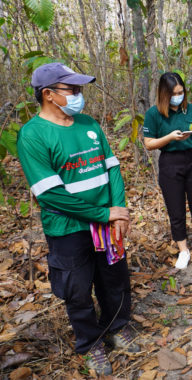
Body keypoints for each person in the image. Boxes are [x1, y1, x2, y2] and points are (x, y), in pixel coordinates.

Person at [18, 62, 138, 376]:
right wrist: (102, 213)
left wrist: (118, 209)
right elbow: (50, 194)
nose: (78, 95)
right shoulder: (33, 135)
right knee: (77, 289)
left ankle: (117, 327)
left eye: (79, 89)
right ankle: (91, 344)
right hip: (69, 228)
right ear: (47, 94)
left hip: (107, 223)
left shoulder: (89, 124)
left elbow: (112, 167)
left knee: (114, 278)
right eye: (71, 89)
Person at [143, 72, 192, 269]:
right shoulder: (153, 114)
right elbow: (149, 144)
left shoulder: (189, 109)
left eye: (181, 92)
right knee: (176, 209)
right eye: (174, 93)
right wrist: (170, 137)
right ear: (164, 94)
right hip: (170, 162)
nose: (179, 96)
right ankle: (183, 250)